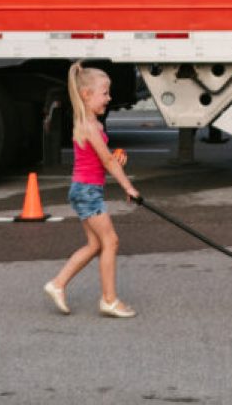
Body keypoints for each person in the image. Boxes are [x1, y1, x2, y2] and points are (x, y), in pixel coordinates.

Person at [44, 62, 140, 318]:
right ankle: (109, 300)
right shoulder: (89, 124)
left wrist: (114, 158)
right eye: (104, 93)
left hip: (85, 190)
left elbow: (104, 158)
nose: (109, 98)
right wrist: (128, 186)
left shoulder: (91, 123)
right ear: (86, 95)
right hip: (87, 191)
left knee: (95, 244)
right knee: (111, 241)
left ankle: (57, 284)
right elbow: (106, 161)